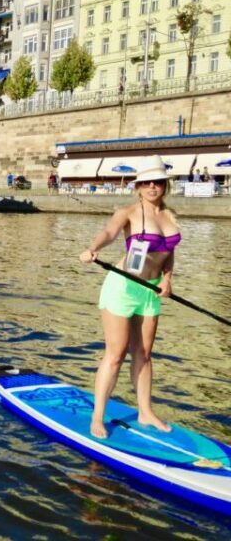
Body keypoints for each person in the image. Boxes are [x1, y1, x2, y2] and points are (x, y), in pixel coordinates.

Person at [79, 155, 180, 439]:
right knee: (116, 354)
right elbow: (109, 232)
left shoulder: (170, 216)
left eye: (157, 182)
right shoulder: (128, 213)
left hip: (152, 291)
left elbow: (169, 254)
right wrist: (92, 249)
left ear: (165, 185)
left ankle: (145, 412)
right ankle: (97, 416)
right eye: (146, 182)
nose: (152, 187)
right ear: (138, 186)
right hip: (123, 287)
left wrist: (168, 280)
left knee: (144, 354)